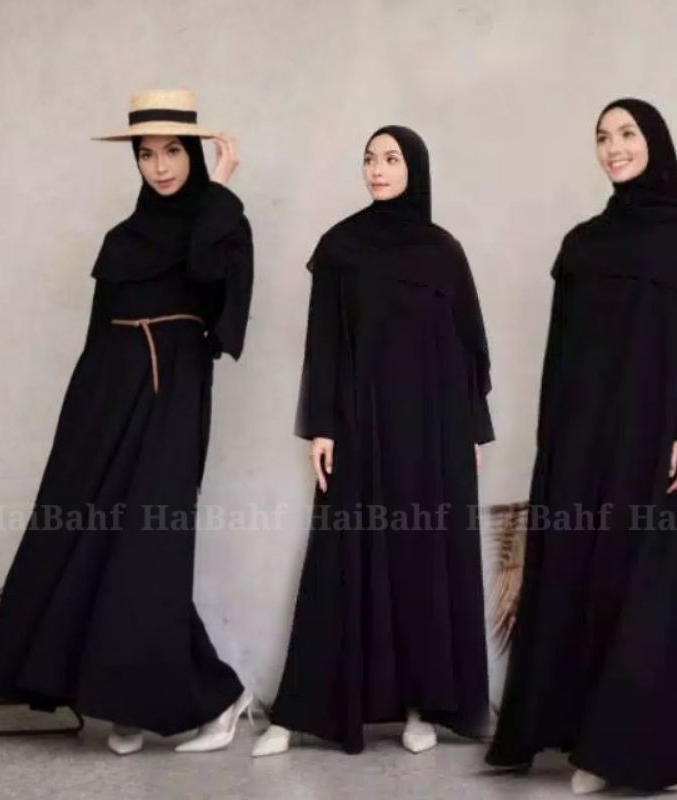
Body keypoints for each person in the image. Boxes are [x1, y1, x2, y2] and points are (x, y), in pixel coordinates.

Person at [485, 98, 677, 794]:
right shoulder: (583, 243)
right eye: (603, 137)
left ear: (654, 141)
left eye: (627, 133)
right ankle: (593, 743)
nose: (614, 147)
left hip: (651, 432)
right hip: (579, 435)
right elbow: (561, 353)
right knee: (583, 572)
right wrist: (552, 446)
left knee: (647, 579)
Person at [0, 89, 255, 756]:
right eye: (146, 154)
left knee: (148, 554)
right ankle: (124, 703)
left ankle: (219, 698)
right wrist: (78, 427)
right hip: (105, 395)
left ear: (193, 153)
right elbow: (96, 336)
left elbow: (208, 284)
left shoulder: (222, 223)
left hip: (172, 392)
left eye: (172, 151)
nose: (160, 167)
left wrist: (220, 191)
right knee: (91, 543)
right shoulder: (121, 240)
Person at [252, 125, 493, 757]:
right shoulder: (341, 246)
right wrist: (322, 425)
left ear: (414, 167)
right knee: (344, 552)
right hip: (360, 421)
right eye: (369, 158)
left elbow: (469, 347)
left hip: (434, 427)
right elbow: (324, 343)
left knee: (421, 556)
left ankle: (420, 708)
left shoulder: (443, 252)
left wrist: (472, 431)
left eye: (390, 158)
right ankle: (305, 711)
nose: (377, 169)